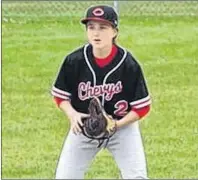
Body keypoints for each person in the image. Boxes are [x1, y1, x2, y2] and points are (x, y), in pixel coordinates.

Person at [51, 4, 151, 179]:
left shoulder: (128, 64)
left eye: (103, 27)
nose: (96, 33)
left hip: (122, 128)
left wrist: (115, 125)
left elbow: (142, 108)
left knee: (137, 177)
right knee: (65, 177)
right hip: (84, 126)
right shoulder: (74, 61)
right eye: (91, 27)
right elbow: (60, 96)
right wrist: (72, 114)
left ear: (114, 32)